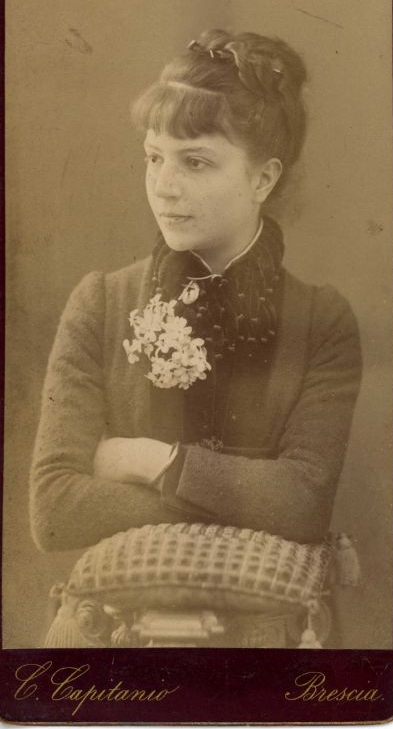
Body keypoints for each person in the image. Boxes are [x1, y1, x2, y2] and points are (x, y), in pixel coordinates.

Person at [29, 29, 362, 555]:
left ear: (262, 180)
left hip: (268, 625)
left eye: (195, 161)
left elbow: (303, 504)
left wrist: (148, 460)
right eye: (154, 157)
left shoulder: (322, 322)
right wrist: (248, 498)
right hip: (118, 624)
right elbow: (54, 511)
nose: (163, 186)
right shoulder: (102, 303)